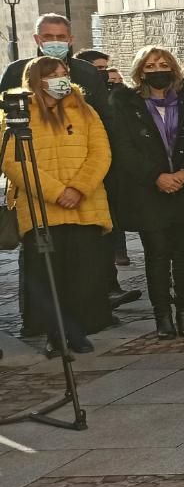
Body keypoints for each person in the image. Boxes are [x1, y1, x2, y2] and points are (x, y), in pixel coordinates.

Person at [4, 57, 113, 355]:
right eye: (53, 75)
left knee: (82, 273)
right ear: (37, 79)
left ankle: (77, 330)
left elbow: (101, 153)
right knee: (48, 274)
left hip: (84, 205)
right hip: (42, 208)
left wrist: (78, 188)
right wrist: (55, 192)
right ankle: (54, 332)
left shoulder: (84, 110)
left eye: (64, 73)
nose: (61, 79)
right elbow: (13, 161)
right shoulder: (17, 115)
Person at [108, 46, 184, 340]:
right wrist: (156, 176)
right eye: (150, 66)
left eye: (163, 64)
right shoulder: (125, 102)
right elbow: (124, 148)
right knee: (158, 255)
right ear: (140, 71)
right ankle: (162, 315)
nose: (157, 69)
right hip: (149, 191)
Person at [76, 48, 139, 309]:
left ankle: (110, 287)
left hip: (111, 175)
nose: (103, 74)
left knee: (108, 231)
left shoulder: (113, 99)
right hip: (83, 178)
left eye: (106, 69)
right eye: (98, 70)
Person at [1, 16, 109, 117]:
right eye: (48, 36)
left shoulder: (87, 72)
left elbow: (104, 112)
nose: (55, 41)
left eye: (61, 37)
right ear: (37, 39)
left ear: (70, 40)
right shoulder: (16, 71)